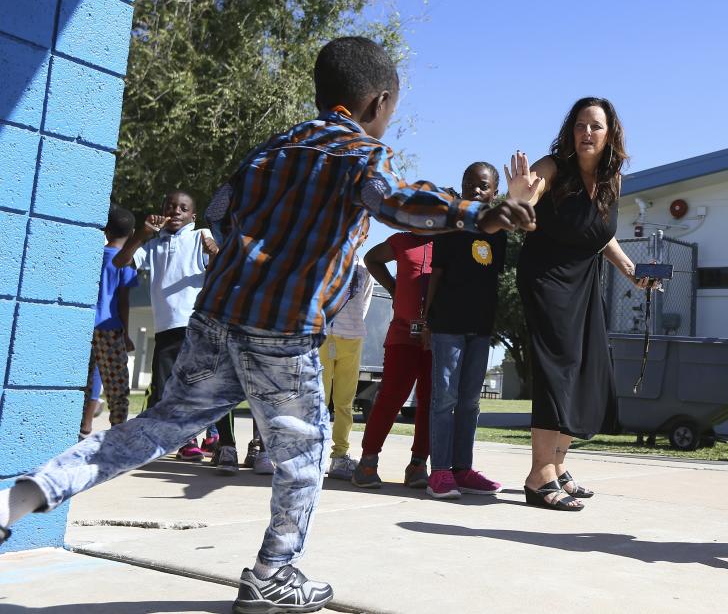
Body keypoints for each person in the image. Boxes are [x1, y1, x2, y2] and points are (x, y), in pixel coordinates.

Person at [0, 36, 536, 614]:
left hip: (216, 315)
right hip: (281, 329)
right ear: (379, 102)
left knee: (156, 427)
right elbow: (397, 200)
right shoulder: (360, 153)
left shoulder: (273, 147)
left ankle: (25, 494)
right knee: (304, 455)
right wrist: (483, 213)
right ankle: (273, 573)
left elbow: (221, 210)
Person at [506, 97, 650, 512]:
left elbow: (599, 233)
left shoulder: (611, 181)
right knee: (558, 367)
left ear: (610, 135)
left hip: (585, 281)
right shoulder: (553, 168)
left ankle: (558, 464)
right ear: (571, 131)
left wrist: (629, 268)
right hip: (546, 278)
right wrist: (518, 198)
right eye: (581, 125)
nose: (587, 133)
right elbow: (526, 203)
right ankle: (538, 475)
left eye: (596, 126)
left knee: (588, 366)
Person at [110, 190, 223, 465]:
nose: (175, 212)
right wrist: (141, 235)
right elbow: (119, 261)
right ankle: (190, 438)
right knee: (166, 388)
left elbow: (222, 268)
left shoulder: (200, 236)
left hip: (196, 324)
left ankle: (202, 437)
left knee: (198, 384)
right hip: (165, 328)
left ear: (192, 216)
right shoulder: (152, 245)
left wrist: (215, 253)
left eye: (182, 208)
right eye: (170, 206)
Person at [423, 163, 506, 499]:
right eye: (470, 183)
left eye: (483, 185)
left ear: (494, 192)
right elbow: (436, 275)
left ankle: (463, 469)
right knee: (444, 398)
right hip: (447, 326)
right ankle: (440, 472)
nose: (476, 189)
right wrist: (427, 320)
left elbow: (490, 281)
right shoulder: (450, 227)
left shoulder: (498, 233)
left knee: (471, 402)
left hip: (480, 328)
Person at [353, 231, 434, 489]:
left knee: (429, 400)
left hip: (436, 337)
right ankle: (367, 463)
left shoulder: (448, 243)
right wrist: (391, 286)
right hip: (402, 333)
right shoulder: (401, 241)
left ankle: (418, 465)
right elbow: (372, 258)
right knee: (390, 397)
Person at [79, 204, 139, 440]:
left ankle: (83, 428)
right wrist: (125, 333)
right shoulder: (125, 262)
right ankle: (118, 432)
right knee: (116, 384)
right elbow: (123, 300)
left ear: (106, 231)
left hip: (86, 326)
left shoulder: (94, 257)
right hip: (110, 327)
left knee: (88, 378)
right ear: (132, 234)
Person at [320, 257, 374, 480]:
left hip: (352, 338)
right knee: (318, 399)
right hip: (323, 335)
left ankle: (339, 455)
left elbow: (366, 300)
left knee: (344, 401)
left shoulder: (364, 266)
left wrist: (352, 326)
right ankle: (314, 453)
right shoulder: (326, 254)